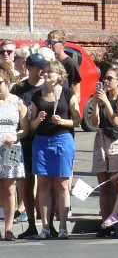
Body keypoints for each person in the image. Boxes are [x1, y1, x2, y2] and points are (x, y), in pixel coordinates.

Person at [29, 61, 81, 239]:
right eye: (45, 72)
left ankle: (64, 227)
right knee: (43, 184)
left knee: (62, 185)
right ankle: (45, 227)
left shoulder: (68, 94)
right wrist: (39, 119)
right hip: (42, 141)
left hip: (62, 139)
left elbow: (77, 120)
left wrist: (62, 122)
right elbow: (32, 125)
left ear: (60, 75)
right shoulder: (38, 96)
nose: (46, 75)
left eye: (50, 73)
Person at [90, 65, 118, 222]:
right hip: (101, 140)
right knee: (103, 186)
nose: (106, 81)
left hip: (116, 141)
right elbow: (94, 122)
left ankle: (116, 220)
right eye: (104, 78)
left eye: (110, 78)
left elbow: (116, 121)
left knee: (117, 185)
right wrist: (95, 103)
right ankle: (105, 222)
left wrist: (107, 102)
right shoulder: (101, 98)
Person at [11, 53, 45, 238]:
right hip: (25, 140)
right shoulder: (19, 89)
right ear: (29, 67)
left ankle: (47, 224)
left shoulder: (49, 87)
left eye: (44, 66)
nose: (42, 70)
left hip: (45, 138)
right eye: (39, 67)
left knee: (47, 181)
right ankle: (31, 223)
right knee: (26, 180)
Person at [0, 62, 28, 241]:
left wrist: (16, 136)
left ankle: (9, 228)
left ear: (7, 82)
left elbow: (25, 129)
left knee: (10, 189)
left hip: (10, 147)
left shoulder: (18, 102)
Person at [46, 30, 82, 102]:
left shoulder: (70, 63)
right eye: (48, 42)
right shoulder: (50, 62)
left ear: (62, 44)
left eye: (53, 43)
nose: (49, 46)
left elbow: (76, 94)